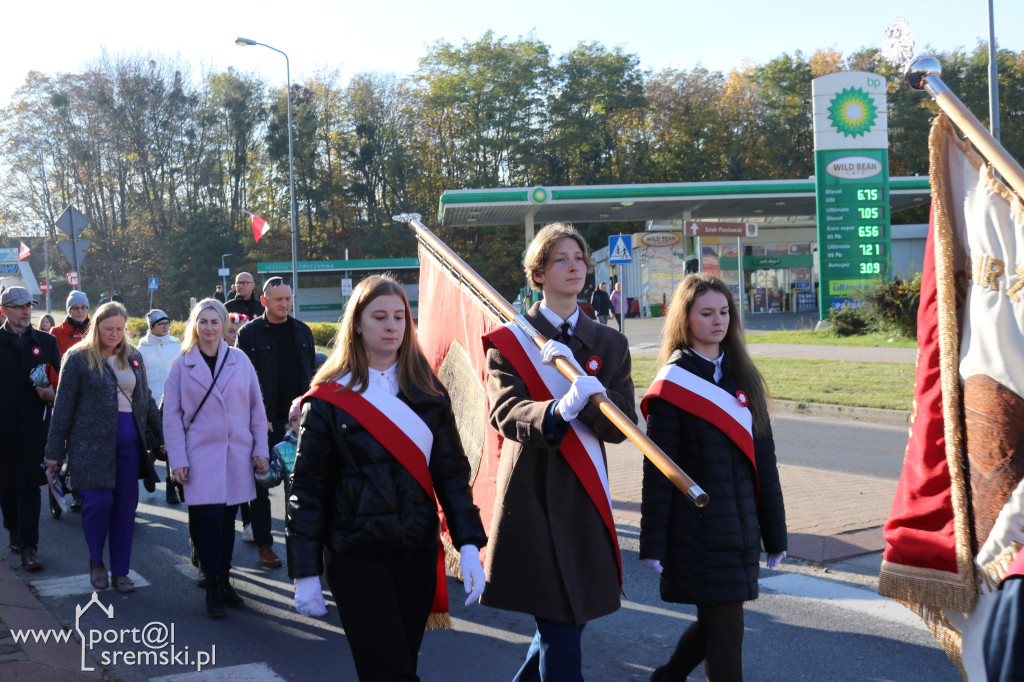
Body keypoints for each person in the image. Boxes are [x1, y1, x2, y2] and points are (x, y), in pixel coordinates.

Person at [287, 274, 487, 680]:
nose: (392, 325)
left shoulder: (429, 392)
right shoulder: (328, 398)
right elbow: (308, 490)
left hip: (415, 552)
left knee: (399, 665)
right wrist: (305, 571)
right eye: (379, 316)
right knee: (390, 672)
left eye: (400, 316)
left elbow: (451, 474)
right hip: (355, 557)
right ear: (357, 323)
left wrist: (468, 544)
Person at [482, 222, 636, 681]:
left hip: (586, 496)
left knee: (568, 618)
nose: (573, 267)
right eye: (560, 260)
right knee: (561, 624)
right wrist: (558, 410)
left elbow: (621, 427)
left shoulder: (610, 343)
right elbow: (505, 413)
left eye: (579, 259)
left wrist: (595, 407)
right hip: (533, 494)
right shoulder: (512, 340)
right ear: (538, 274)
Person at [640, 273, 787, 682]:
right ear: (684, 320)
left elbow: (765, 464)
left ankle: (667, 677)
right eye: (706, 313)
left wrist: (775, 534)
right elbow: (660, 470)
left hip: (739, 530)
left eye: (724, 312)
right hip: (697, 529)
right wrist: (654, 541)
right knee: (727, 626)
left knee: (715, 623)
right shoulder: (673, 384)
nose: (718, 321)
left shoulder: (744, 379)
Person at [45, 302, 162, 594]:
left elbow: (145, 400)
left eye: (120, 329)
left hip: (130, 448)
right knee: (98, 506)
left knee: (124, 510)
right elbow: (63, 408)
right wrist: (54, 452)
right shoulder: (78, 358)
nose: (114, 334)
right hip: (90, 447)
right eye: (109, 329)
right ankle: (96, 559)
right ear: (96, 326)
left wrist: (163, 437)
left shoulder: (133, 356)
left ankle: (120, 571)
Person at [163, 299, 269, 618]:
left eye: (215, 322)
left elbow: (256, 409)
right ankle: (211, 585)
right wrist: (178, 459)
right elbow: (172, 416)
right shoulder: (182, 364)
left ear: (224, 325)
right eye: (203, 321)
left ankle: (224, 578)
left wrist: (260, 450)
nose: (209, 328)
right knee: (208, 522)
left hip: (236, 455)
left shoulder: (239, 361)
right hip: (199, 457)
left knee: (226, 523)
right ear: (194, 325)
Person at [236, 277, 314, 568]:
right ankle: (265, 545)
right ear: (265, 301)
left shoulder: (303, 332)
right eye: (278, 299)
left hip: (299, 424)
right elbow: (243, 382)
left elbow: (311, 380)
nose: (284, 304)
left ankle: (302, 548)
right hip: (264, 422)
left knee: (300, 488)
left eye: (288, 298)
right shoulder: (249, 335)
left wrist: (308, 415)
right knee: (261, 483)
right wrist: (259, 418)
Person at [0, 288, 60, 572]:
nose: (26, 311)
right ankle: (12, 528)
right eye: (19, 306)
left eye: (29, 305)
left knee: (29, 487)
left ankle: (29, 548)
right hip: (3, 431)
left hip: (34, 429)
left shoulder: (46, 342)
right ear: (4, 310)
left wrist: (53, 394)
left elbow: (67, 381)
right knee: (6, 487)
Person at [137, 309, 183, 505]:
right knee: (157, 444)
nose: (165, 327)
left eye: (167, 323)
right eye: (161, 324)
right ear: (152, 326)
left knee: (173, 444)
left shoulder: (177, 345)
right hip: (152, 401)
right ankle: (149, 468)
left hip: (173, 401)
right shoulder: (142, 349)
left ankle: (171, 487)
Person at [52, 291, 91, 356]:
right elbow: (50, 361)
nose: (80, 311)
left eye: (83, 308)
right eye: (76, 308)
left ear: (87, 310)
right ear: (69, 311)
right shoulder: (56, 332)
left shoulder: (95, 330)